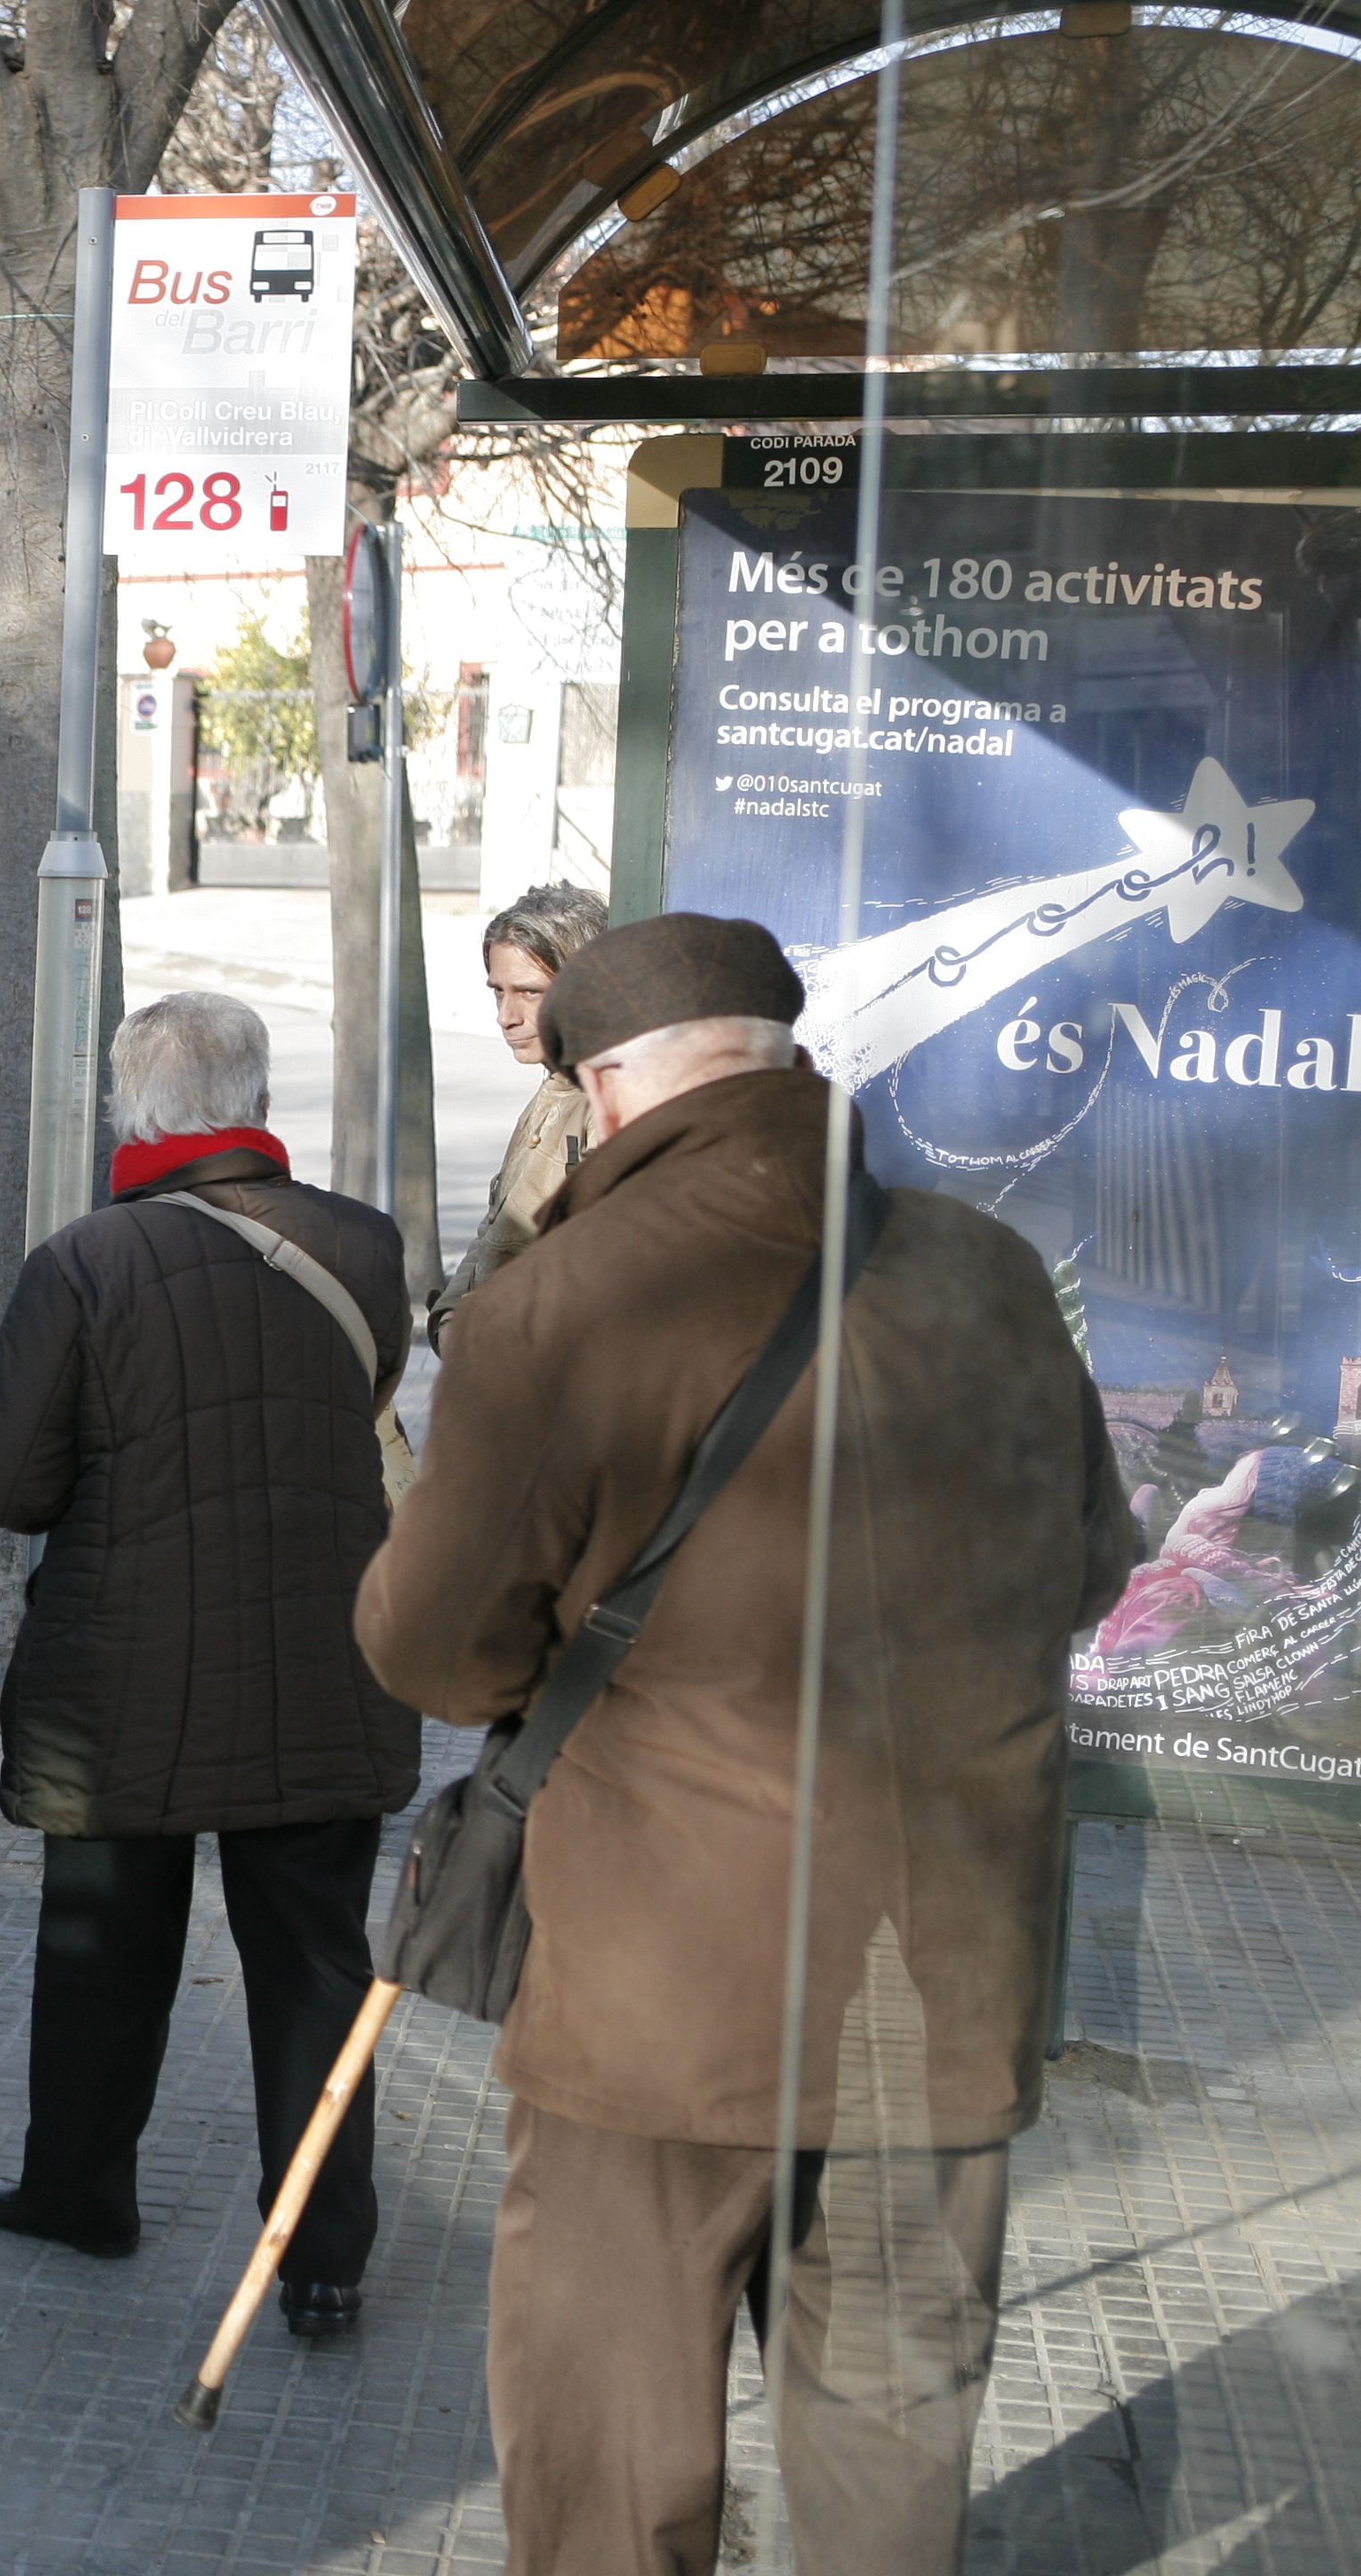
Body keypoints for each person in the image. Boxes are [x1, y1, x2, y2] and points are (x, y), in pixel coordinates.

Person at [356, 916, 1136, 2576]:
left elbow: (429, 1647)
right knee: (883, 2465)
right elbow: (1085, 1567)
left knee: (610, 2468)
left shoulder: (555, 1305)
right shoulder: (983, 1271)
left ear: (611, 1086)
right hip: (937, 1976)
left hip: (657, 2003)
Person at [0, 992, 416, 2334]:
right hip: (324, 1664)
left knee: (104, 1950)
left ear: (131, 1113)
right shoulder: (364, 1247)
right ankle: (322, 2262)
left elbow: (8, 1486)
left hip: (121, 1687)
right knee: (317, 1963)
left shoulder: (84, 1265)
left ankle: (80, 2194)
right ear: (260, 1105)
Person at [428, 881, 609, 1350]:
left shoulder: (611, 1103)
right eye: (498, 993)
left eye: (530, 992)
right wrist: (450, 1319)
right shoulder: (555, 1089)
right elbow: (497, 1229)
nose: (506, 1016)